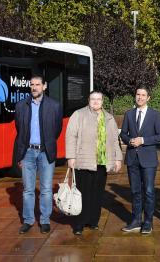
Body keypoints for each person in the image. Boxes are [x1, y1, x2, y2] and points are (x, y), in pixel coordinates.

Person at [66, 91, 123, 235]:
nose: (96, 102)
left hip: (102, 163)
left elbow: (115, 140)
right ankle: (79, 224)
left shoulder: (109, 118)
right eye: (93, 99)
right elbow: (71, 136)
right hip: (83, 161)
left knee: (97, 194)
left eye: (98, 99)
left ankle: (93, 221)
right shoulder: (78, 115)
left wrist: (118, 158)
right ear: (88, 100)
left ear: (103, 101)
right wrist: (70, 157)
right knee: (82, 194)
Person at [15, 74, 63, 234]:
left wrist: (47, 143)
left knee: (46, 189)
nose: (34, 87)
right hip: (27, 152)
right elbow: (19, 129)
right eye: (32, 84)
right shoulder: (21, 105)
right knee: (28, 189)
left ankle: (44, 220)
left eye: (37, 84)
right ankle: (28, 220)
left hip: (45, 152)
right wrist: (20, 154)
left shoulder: (54, 106)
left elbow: (57, 129)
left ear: (44, 86)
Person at [120, 87, 160, 234]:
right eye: (138, 94)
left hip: (149, 160)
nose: (140, 97)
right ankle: (136, 220)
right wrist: (130, 140)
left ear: (148, 98)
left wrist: (143, 140)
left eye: (143, 95)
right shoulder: (129, 114)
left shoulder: (155, 115)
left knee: (149, 191)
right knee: (135, 191)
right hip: (132, 158)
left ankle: (148, 222)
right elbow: (123, 134)